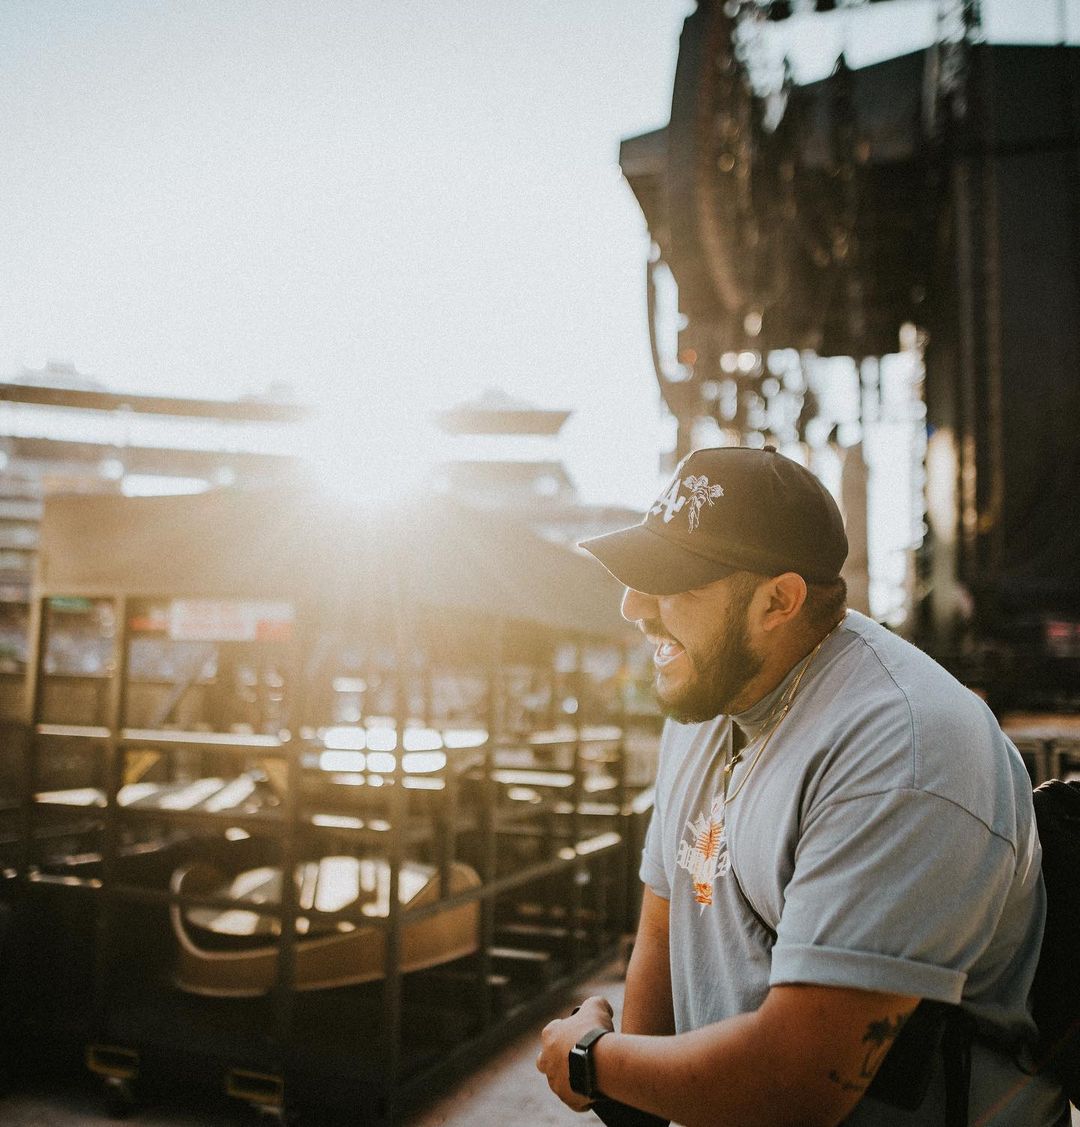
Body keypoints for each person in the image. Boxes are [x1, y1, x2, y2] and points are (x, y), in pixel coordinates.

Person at [535, 446, 1067, 1126]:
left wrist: (592, 1060)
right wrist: (625, 1079)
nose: (633, 606)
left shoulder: (905, 749)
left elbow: (798, 1082)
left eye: (673, 582)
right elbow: (666, 934)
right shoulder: (708, 699)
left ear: (778, 601)